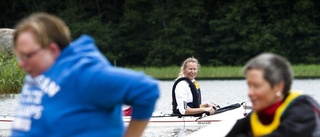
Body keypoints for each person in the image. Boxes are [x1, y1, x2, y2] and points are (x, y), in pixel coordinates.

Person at [11, 12, 160, 137]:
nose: (21, 63)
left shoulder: (83, 73)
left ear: (53, 50)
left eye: (27, 56)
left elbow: (145, 89)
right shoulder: (37, 73)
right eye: (20, 56)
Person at [226, 53, 320, 137]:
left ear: (278, 87)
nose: (249, 93)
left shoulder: (303, 112)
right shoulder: (254, 118)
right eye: (249, 86)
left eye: (256, 86)